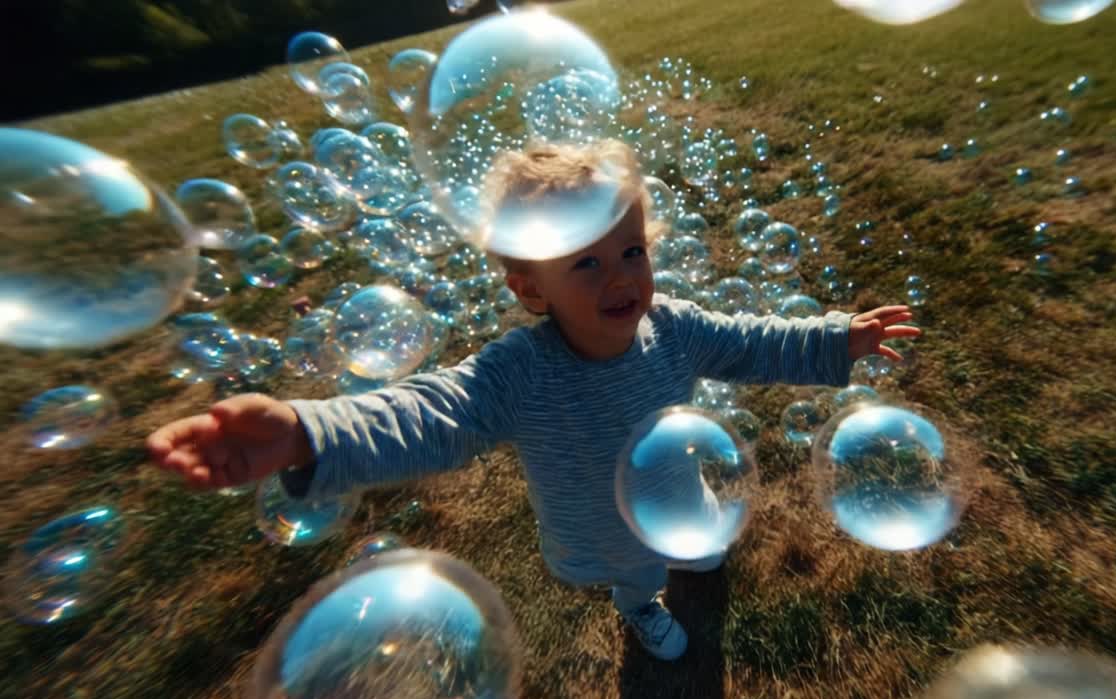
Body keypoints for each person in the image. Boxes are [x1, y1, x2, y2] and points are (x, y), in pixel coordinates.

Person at [147, 140, 921, 661]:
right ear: (529, 288)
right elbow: (431, 413)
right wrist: (307, 433)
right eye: (585, 263)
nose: (621, 278)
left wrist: (831, 339)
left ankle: (690, 550)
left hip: (678, 488)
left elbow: (756, 341)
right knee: (636, 572)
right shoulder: (519, 372)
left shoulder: (676, 327)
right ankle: (642, 607)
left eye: (632, 251)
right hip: (596, 530)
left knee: (691, 536)